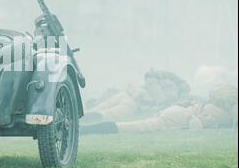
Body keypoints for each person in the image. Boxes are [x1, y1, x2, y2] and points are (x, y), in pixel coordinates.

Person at [82, 84, 238, 134]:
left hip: (174, 112)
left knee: (129, 124)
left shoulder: (211, 105)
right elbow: (197, 124)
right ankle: (86, 130)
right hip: (179, 117)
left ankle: (84, 126)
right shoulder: (223, 113)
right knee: (132, 127)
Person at [85, 69, 191, 121]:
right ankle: (84, 117)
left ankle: (85, 117)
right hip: (135, 101)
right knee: (106, 111)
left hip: (131, 98)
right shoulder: (161, 83)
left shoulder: (171, 92)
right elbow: (151, 79)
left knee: (105, 110)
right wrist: (161, 101)